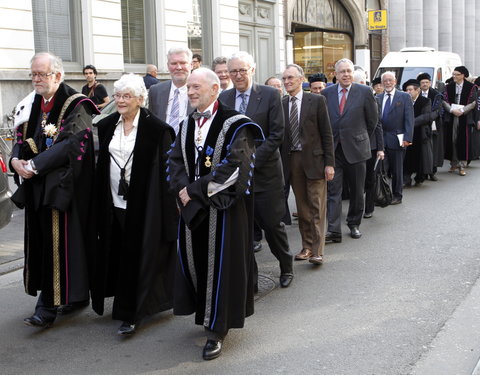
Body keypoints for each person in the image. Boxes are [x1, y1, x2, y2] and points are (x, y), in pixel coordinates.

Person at [168, 67, 263, 360]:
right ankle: (204, 313)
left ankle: (217, 329)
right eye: (189, 88)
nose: (191, 91)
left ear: (214, 89)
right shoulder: (185, 125)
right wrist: (183, 190)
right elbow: (173, 160)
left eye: (197, 87)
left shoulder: (238, 125)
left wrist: (194, 190)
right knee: (195, 263)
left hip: (224, 212)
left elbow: (237, 168)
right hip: (193, 210)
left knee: (221, 270)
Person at [10, 52, 98, 328]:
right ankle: (71, 297)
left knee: (59, 246)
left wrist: (34, 164)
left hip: (63, 188)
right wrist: (15, 161)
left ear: (58, 75)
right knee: (41, 243)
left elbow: (71, 144)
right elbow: (19, 136)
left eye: (42, 74)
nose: (36, 79)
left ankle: (48, 306)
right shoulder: (31, 103)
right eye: (33, 74)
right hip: (36, 187)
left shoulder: (78, 104)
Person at [91, 74, 178, 335]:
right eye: (117, 95)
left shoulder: (158, 130)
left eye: (126, 96)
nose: (120, 100)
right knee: (117, 252)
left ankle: (132, 313)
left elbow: (167, 176)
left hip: (145, 206)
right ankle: (122, 300)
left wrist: (167, 214)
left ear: (140, 99)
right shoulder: (107, 126)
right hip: (113, 202)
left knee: (139, 255)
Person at [219, 51, 294, 288]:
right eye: (233, 71)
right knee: (243, 232)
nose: (238, 75)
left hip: (265, 175)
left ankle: (286, 265)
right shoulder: (224, 97)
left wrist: (250, 162)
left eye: (242, 70)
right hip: (235, 177)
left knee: (272, 226)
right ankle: (250, 279)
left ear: (252, 69)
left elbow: (276, 135)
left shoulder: (271, 94)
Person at [281, 64, 334, 265]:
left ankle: (318, 250)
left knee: (316, 206)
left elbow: (327, 133)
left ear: (301, 79)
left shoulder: (317, 100)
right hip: (292, 161)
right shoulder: (282, 103)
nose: (287, 82)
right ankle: (307, 246)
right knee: (302, 208)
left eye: (291, 78)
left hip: (316, 161)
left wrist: (330, 163)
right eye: (284, 78)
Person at [321, 58, 377, 241]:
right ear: (335, 75)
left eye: (349, 71)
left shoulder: (365, 92)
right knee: (333, 191)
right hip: (334, 151)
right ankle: (333, 230)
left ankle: (354, 224)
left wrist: (359, 138)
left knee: (356, 191)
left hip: (357, 150)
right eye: (342, 71)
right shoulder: (326, 93)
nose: (346, 74)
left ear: (353, 73)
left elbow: (372, 121)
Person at [377, 71, 414, 204]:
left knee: (397, 170)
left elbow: (409, 119)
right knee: (381, 169)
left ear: (395, 81)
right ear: (382, 83)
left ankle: (397, 195)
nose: (387, 82)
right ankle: (382, 194)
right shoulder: (378, 98)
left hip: (397, 139)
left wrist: (407, 138)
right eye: (385, 80)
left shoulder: (404, 97)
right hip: (381, 140)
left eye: (390, 80)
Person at [442, 66, 478, 176]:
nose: (454, 76)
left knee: (463, 140)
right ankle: (453, 163)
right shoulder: (449, 87)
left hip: (464, 116)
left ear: (463, 75)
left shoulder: (471, 87)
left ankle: (462, 165)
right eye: (453, 74)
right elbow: (444, 101)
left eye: (457, 74)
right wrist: (452, 110)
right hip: (452, 116)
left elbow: (473, 103)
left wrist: (462, 110)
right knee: (452, 140)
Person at [149, 47, 194, 134]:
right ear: (168, 66)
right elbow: (152, 123)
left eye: (183, 63)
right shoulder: (155, 91)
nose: (178, 67)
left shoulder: (201, 91)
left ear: (191, 65)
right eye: (174, 63)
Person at [402, 79, 433, 187]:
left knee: (421, 158)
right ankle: (406, 178)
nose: (408, 92)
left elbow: (426, 117)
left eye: (410, 89)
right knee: (407, 157)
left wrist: (410, 123)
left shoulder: (425, 101)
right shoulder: (404, 101)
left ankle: (420, 176)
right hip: (407, 134)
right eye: (406, 90)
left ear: (417, 90)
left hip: (420, 133)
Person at [417, 73, 444, 181]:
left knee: (434, 148)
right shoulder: (415, 93)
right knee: (423, 149)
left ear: (430, 83)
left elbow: (438, 110)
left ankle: (432, 172)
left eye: (426, 82)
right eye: (422, 82)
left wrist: (428, 118)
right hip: (420, 125)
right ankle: (422, 171)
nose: (424, 84)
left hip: (433, 124)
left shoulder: (436, 94)